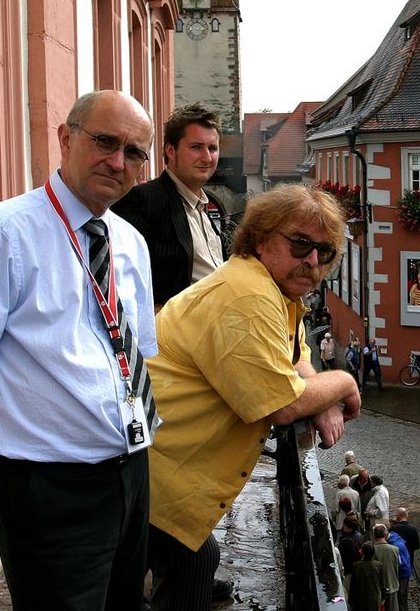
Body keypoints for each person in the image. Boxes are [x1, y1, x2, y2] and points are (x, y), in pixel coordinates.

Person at [0, 90, 158, 609]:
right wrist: (7, 454)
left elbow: (134, 358)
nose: (118, 161)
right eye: (105, 141)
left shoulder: (129, 241)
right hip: (52, 488)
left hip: (131, 470)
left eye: (134, 152)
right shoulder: (3, 232)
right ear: (65, 138)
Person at [145, 184, 362, 610]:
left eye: (325, 252)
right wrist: (343, 384)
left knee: (195, 562)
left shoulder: (273, 288)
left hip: (162, 471)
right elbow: (282, 405)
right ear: (261, 238)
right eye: (300, 244)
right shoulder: (248, 296)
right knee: (180, 568)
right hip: (152, 476)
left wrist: (315, 391)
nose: (313, 261)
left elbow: (295, 350)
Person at [112, 103, 229, 310]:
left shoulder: (206, 208)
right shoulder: (144, 200)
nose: (207, 157)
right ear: (170, 150)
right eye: (196, 147)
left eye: (212, 148)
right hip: (175, 334)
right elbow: (121, 281)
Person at [372, 524, 401, 611]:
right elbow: (399, 563)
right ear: (385, 535)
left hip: (377, 588)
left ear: (374, 535)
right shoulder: (395, 549)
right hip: (392, 584)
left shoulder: (372, 550)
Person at [349, 542, 384, 611]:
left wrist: (351, 600)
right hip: (374, 597)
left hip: (361, 598)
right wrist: (384, 596)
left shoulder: (356, 566)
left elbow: (353, 585)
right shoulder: (379, 565)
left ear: (363, 552)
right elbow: (382, 582)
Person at [337, 514, 364, 592]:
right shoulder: (358, 535)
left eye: (345, 526)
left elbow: (343, 556)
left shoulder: (346, 541)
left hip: (348, 569)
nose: (343, 527)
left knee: (348, 590)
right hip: (356, 567)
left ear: (349, 528)